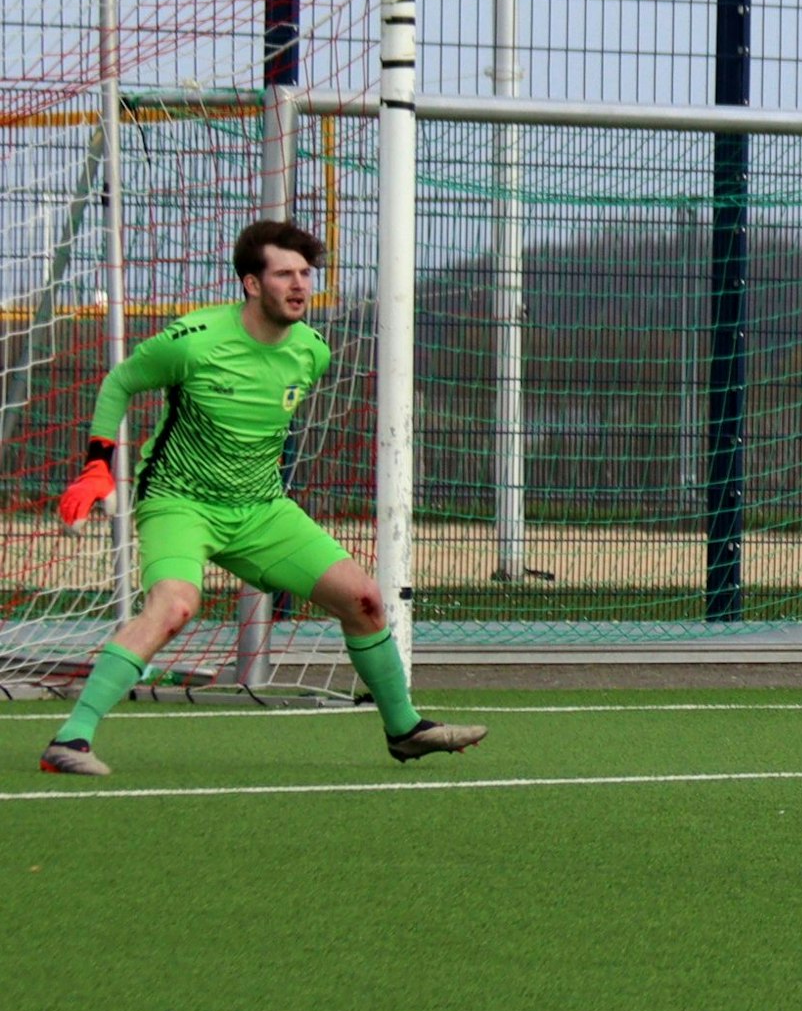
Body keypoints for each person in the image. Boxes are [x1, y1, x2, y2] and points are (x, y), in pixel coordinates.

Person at [41, 220, 486, 775]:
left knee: (365, 600)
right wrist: (96, 468)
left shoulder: (312, 351)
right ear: (252, 284)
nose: (299, 285)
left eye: (305, 273)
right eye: (284, 274)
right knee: (175, 607)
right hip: (181, 504)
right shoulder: (192, 341)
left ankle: (404, 729)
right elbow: (120, 382)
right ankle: (71, 739)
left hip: (260, 509)